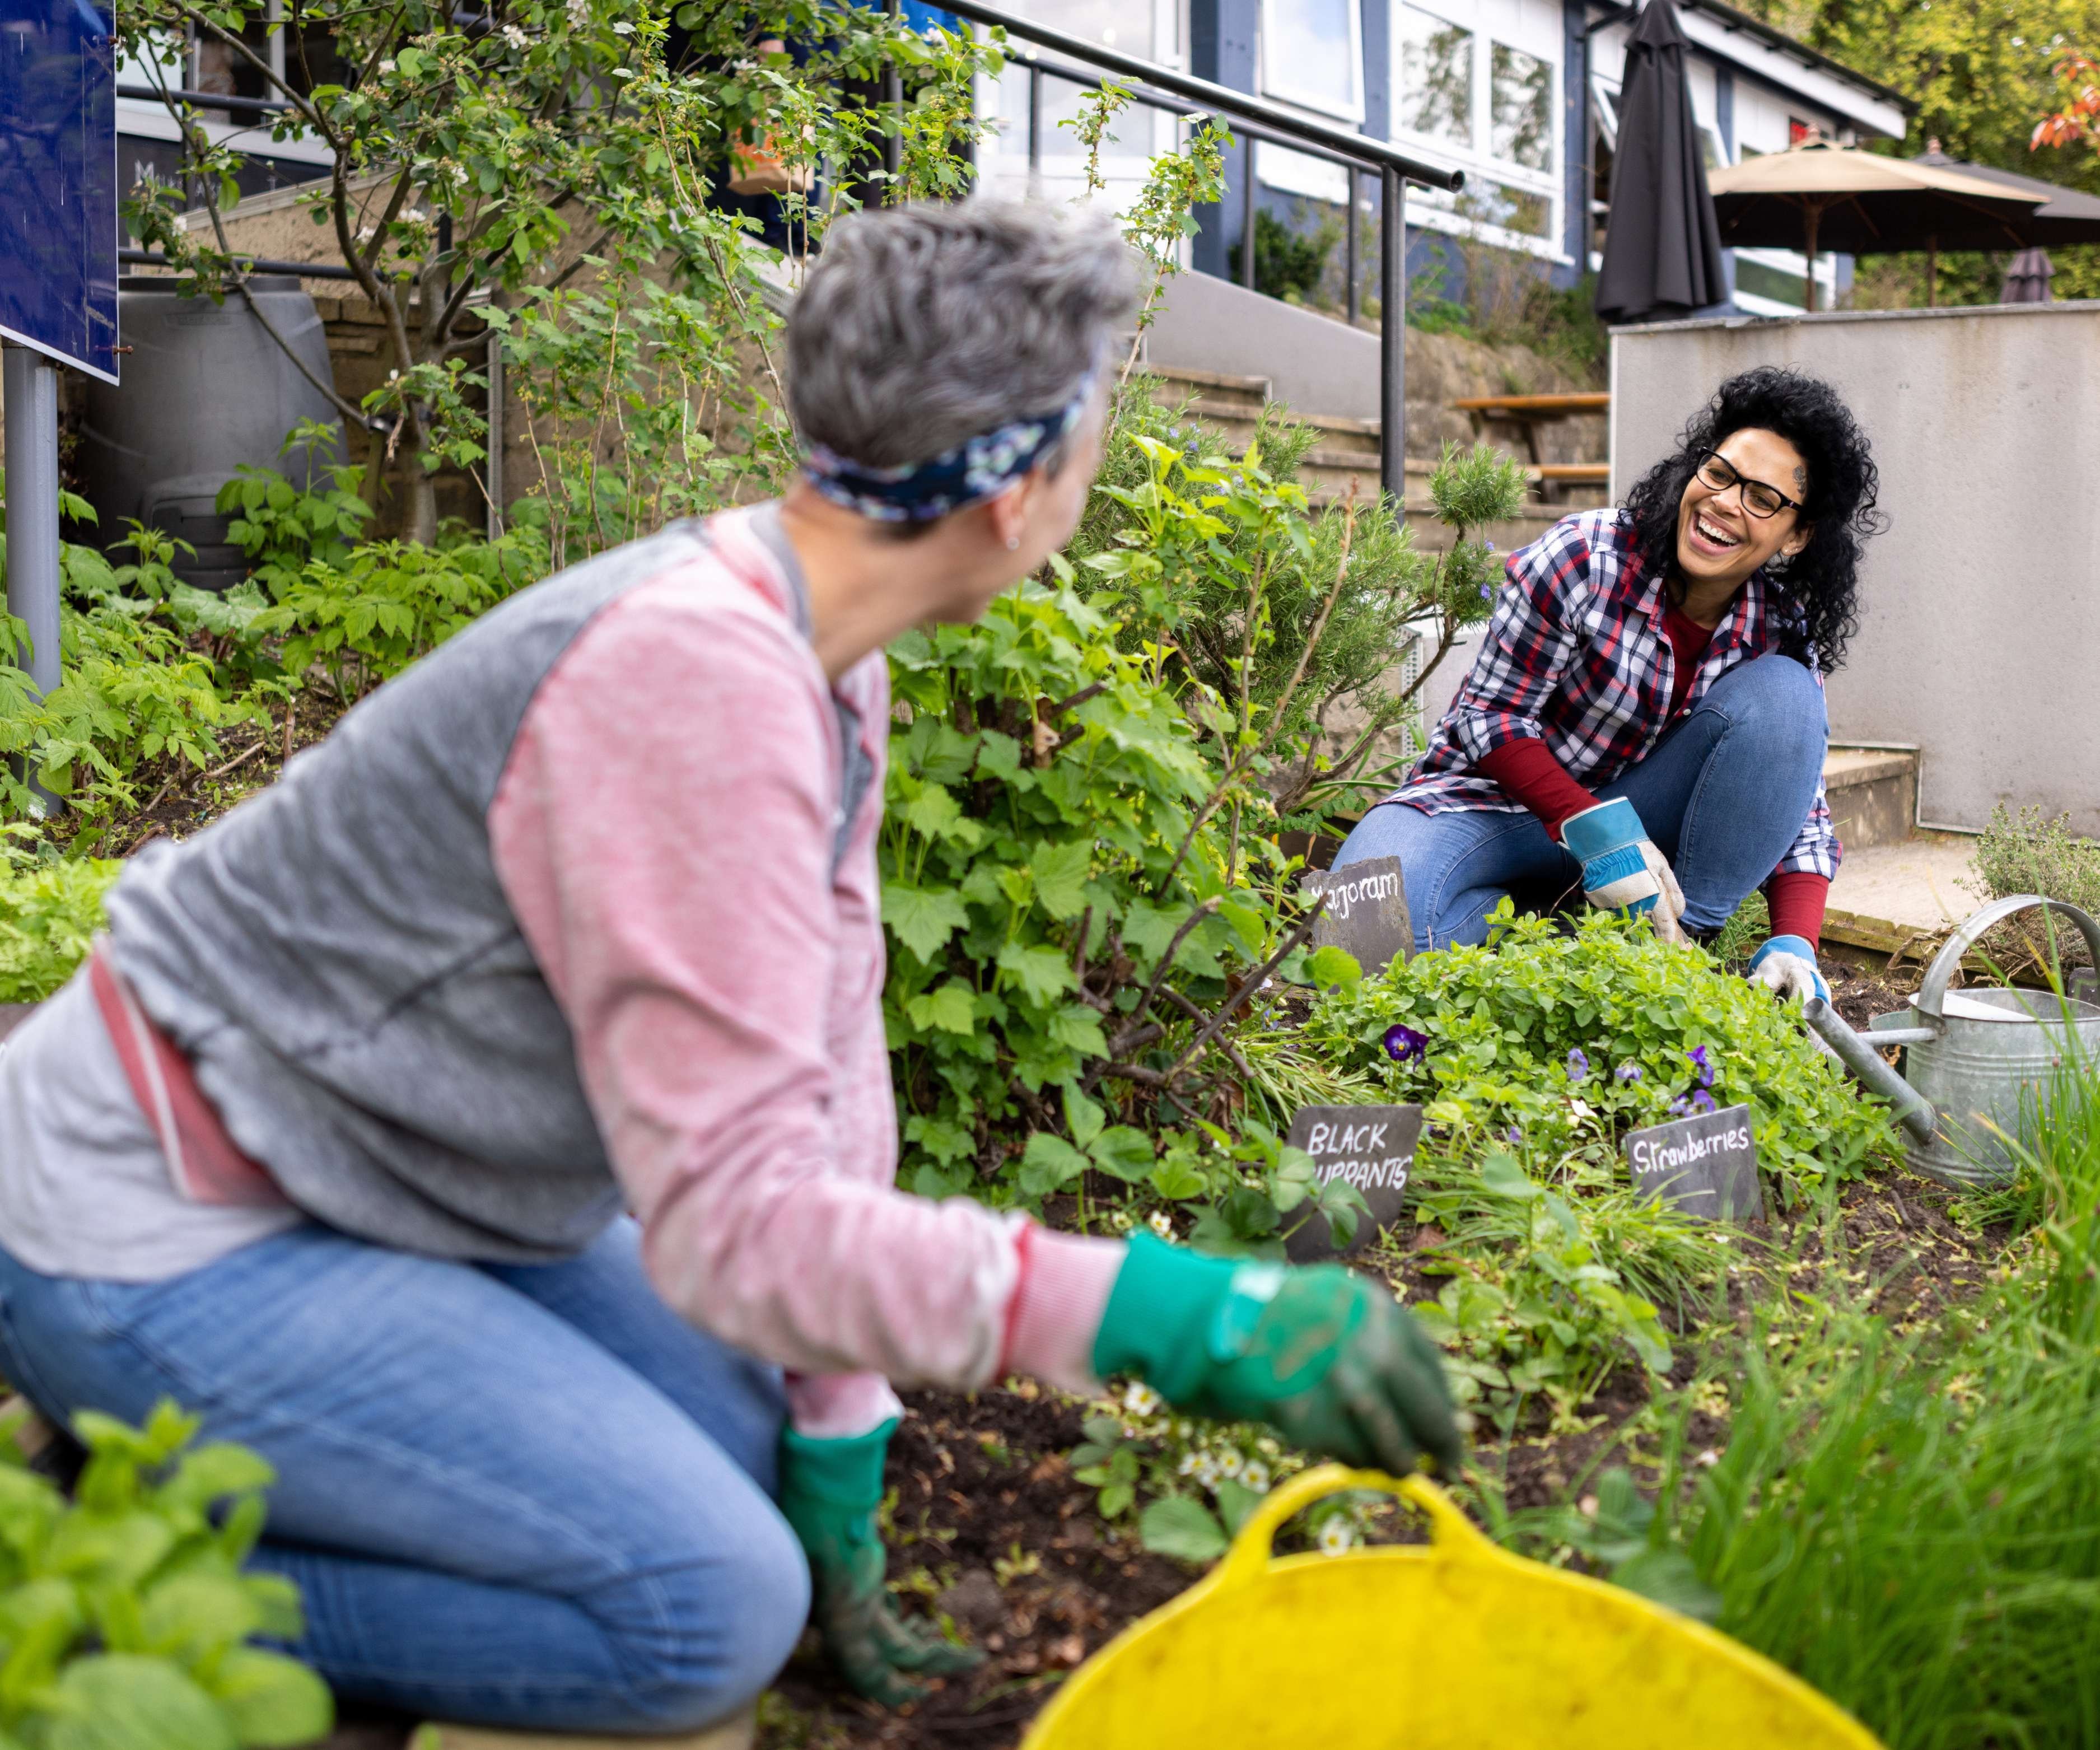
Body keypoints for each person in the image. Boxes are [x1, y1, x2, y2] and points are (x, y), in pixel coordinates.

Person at [0, 200, 1459, 1739]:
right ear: (1021, 488)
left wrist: (836, 1434)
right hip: (151, 1214)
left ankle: (259, 1470)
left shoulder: (818, 647)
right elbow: (733, 1232)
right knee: (702, 1610)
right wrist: (1174, 1309)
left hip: (372, 1174)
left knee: (753, 1445)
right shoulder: (695, 682)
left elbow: (826, 1068)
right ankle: (106, 1570)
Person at [1336, 367, 1884, 1002]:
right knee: (1357, 927)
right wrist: (1597, 833)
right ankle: (1564, 934)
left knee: (1787, 698)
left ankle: (1673, 947)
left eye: (1762, 499)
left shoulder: (1781, 627)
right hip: (1490, 811)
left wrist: (1795, 940)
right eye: (1720, 474)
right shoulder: (1582, 557)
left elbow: (1799, 807)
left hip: (1646, 846)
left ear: (1797, 535)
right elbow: (1490, 718)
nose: (1727, 503)